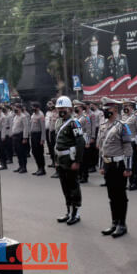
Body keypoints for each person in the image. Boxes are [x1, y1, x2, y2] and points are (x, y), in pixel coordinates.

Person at [98, 97, 133, 238]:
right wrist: (101, 165)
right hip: (107, 165)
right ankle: (114, 222)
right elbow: (101, 148)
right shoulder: (103, 126)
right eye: (104, 108)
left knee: (120, 196)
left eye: (108, 109)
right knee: (111, 195)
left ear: (115, 110)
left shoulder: (122, 126)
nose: (105, 111)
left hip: (119, 165)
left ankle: (122, 224)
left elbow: (128, 148)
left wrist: (128, 168)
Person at [54, 96, 86, 225]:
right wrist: (56, 160)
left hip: (70, 159)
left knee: (73, 186)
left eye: (63, 108)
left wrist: (77, 161)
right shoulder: (58, 122)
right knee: (65, 187)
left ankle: (75, 213)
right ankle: (68, 211)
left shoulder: (74, 123)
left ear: (70, 109)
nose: (61, 111)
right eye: (59, 108)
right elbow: (57, 142)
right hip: (61, 158)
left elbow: (80, 142)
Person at [122, 99, 137, 191]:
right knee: (127, 163)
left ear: (131, 107)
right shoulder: (123, 117)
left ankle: (135, 183)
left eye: (127, 106)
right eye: (124, 106)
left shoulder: (136, 117)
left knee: (135, 164)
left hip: (133, 142)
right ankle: (129, 182)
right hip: (125, 143)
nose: (125, 108)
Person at [73, 100, 92, 182]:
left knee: (84, 160)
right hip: (76, 140)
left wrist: (87, 142)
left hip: (83, 139)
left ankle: (84, 176)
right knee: (78, 159)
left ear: (80, 107)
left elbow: (88, 130)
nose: (75, 109)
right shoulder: (75, 117)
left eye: (76, 107)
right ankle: (79, 175)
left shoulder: (85, 117)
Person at [29, 102, 47, 176]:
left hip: (38, 135)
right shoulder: (33, 115)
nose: (32, 108)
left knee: (39, 153)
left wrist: (42, 139)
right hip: (33, 135)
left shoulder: (41, 115)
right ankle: (38, 168)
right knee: (34, 152)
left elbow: (43, 128)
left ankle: (42, 169)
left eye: (34, 107)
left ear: (37, 107)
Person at [12, 105, 29, 173]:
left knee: (22, 152)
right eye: (14, 108)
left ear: (20, 109)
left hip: (20, 136)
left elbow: (25, 127)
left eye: (16, 108)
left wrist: (25, 138)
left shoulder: (23, 116)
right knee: (17, 152)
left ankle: (24, 167)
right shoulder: (15, 116)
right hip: (15, 136)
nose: (15, 109)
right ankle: (20, 166)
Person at [45, 101, 57, 169]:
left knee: (55, 148)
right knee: (51, 148)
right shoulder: (49, 113)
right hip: (50, 131)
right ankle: (53, 161)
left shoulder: (58, 114)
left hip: (55, 132)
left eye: (52, 106)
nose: (50, 107)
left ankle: (56, 163)